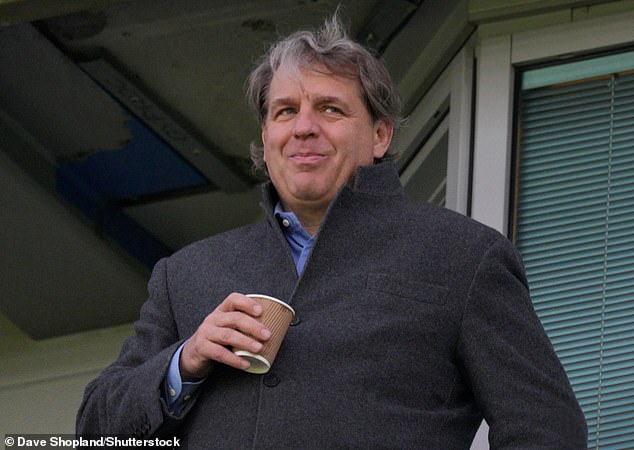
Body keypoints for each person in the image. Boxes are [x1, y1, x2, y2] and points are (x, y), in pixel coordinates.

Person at [76, 14, 587, 449]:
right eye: (285, 111)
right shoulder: (186, 274)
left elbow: (547, 430)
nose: (303, 127)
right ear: (266, 138)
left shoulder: (465, 256)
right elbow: (95, 432)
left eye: (330, 108)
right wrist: (185, 362)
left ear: (380, 135)